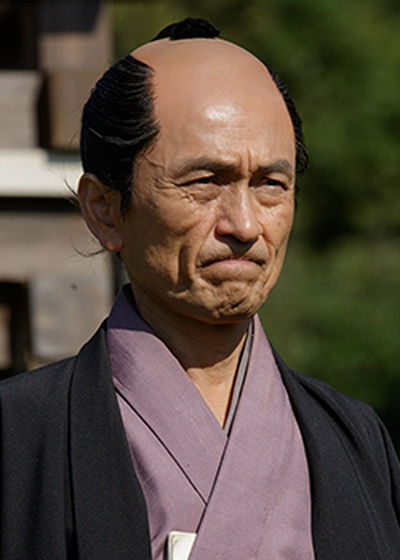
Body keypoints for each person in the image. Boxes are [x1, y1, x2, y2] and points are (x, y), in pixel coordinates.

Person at [1, 17, 399, 560]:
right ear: (105, 210)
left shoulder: (357, 442)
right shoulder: (19, 438)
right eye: (206, 181)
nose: (245, 225)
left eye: (271, 185)